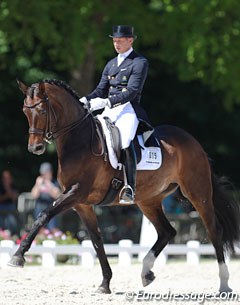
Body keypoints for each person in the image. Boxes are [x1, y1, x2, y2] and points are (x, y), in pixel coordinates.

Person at [80, 25, 152, 204]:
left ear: (130, 40)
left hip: (129, 109)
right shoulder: (111, 64)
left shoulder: (139, 62)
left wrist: (107, 102)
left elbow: (132, 91)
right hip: (109, 110)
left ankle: (130, 187)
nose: (116, 44)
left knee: (126, 140)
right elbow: (100, 90)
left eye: (120, 41)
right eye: (114, 40)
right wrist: (84, 100)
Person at [31, 162, 61, 232]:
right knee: (39, 227)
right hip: (40, 207)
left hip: (51, 207)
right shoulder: (39, 182)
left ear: (50, 172)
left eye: (46, 173)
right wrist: (37, 184)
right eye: (43, 173)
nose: (44, 175)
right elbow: (34, 195)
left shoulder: (54, 182)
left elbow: (57, 195)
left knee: (53, 228)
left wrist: (49, 185)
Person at [0, 170, 19, 235]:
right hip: (1, 207)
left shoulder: (14, 186)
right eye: (4, 178)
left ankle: (12, 234)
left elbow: (14, 199)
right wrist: (7, 195)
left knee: (11, 218)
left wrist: (7, 188)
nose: (6, 180)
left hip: (11, 207)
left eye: (8, 178)